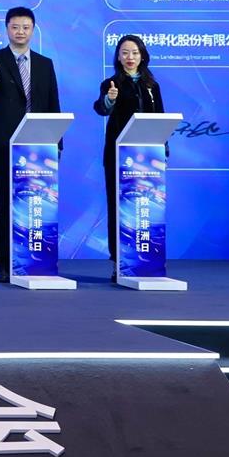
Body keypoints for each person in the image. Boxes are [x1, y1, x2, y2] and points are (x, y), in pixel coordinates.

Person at [0, 6, 62, 282]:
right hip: (5, 142)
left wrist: (56, 143)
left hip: (38, 147)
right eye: (15, 27)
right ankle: (4, 261)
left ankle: (36, 257)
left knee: (38, 203)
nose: (20, 32)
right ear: (7, 29)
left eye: (25, 27)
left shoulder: (45, 64)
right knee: (4, 203)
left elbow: (53, 104)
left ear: (33, 30)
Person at [92, 33, 166, 279]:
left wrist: (163, 150)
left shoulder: (152, 86)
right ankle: (119, 261)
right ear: (118, 57)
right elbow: (101, 109)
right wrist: (109, 99)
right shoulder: (111, 83)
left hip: (149, 157)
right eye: (124, 53)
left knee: (147, 206)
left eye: (134, 52)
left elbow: (161, 118)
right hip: (119, 155)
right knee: (119, 207)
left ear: (142, 56)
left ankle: (147, 259)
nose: (130, 57)